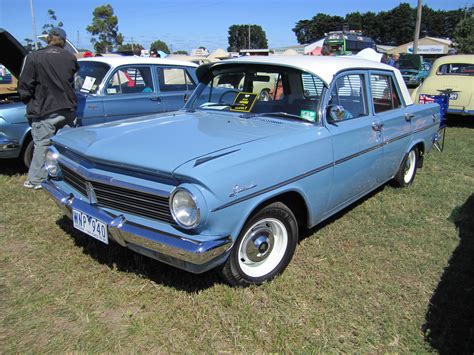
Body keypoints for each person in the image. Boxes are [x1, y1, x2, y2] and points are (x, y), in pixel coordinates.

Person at [18, 27, 79, 189]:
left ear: (48, 39)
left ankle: (36, 180)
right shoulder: (70, 57)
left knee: (42, 144)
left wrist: (28, 101)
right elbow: (73, 81)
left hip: (44, 109)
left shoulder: (34, 57)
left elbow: (25, 85)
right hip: (68, 108)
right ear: (64, 41)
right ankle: (69, 177)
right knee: (66, 146)